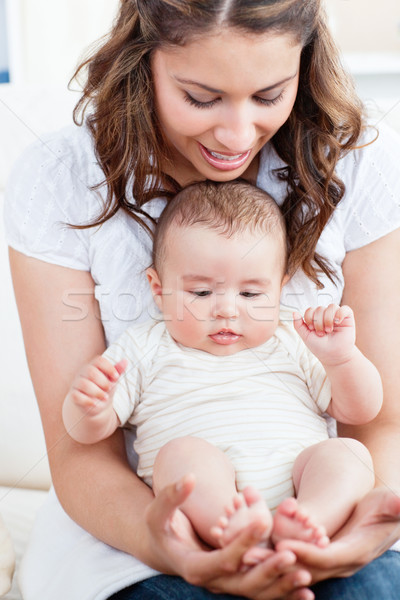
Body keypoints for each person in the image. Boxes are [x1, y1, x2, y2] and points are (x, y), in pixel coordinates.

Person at [4, 0, 400, 599]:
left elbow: (376, 420)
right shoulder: (60, 180)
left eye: (269, 95)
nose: (237, 136)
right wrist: (164, 539)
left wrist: (354, 531)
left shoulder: (356, 163)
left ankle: (309, 523)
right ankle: (224, 523)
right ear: (143, 61)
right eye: (201, 97)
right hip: (139, 526)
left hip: (315, 506)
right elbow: (80, 450)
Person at [62, 180, 383, 557]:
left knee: (350, 454)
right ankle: (229, 526)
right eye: (201, 293)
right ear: (157, 288)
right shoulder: (143, 348)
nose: (227, 309)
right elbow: (88, 434)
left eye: (250, 294)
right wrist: (89, 406)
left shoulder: (295, 338)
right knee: (182, 455)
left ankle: (309, 520)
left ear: (280, 289)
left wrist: (341, 359)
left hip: (299, 485)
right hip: (205, 510)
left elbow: (360, 411)